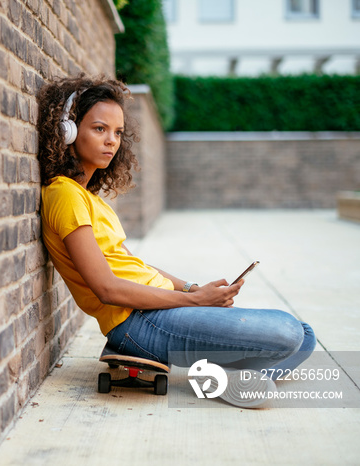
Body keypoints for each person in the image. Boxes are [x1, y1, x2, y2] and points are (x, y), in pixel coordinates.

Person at [37, 75, 316, 407]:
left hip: (158, 308)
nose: (111, 141)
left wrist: (191, 289)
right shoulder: (64, 194)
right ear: (68, 130)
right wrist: (197, 303)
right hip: (136, 322)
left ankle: (227, 379)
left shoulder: (90, 198)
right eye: (99, 129)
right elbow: (107, 289)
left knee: (305, 335)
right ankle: (222, 378)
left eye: (118, 133)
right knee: (287, 333)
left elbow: (134, 264)